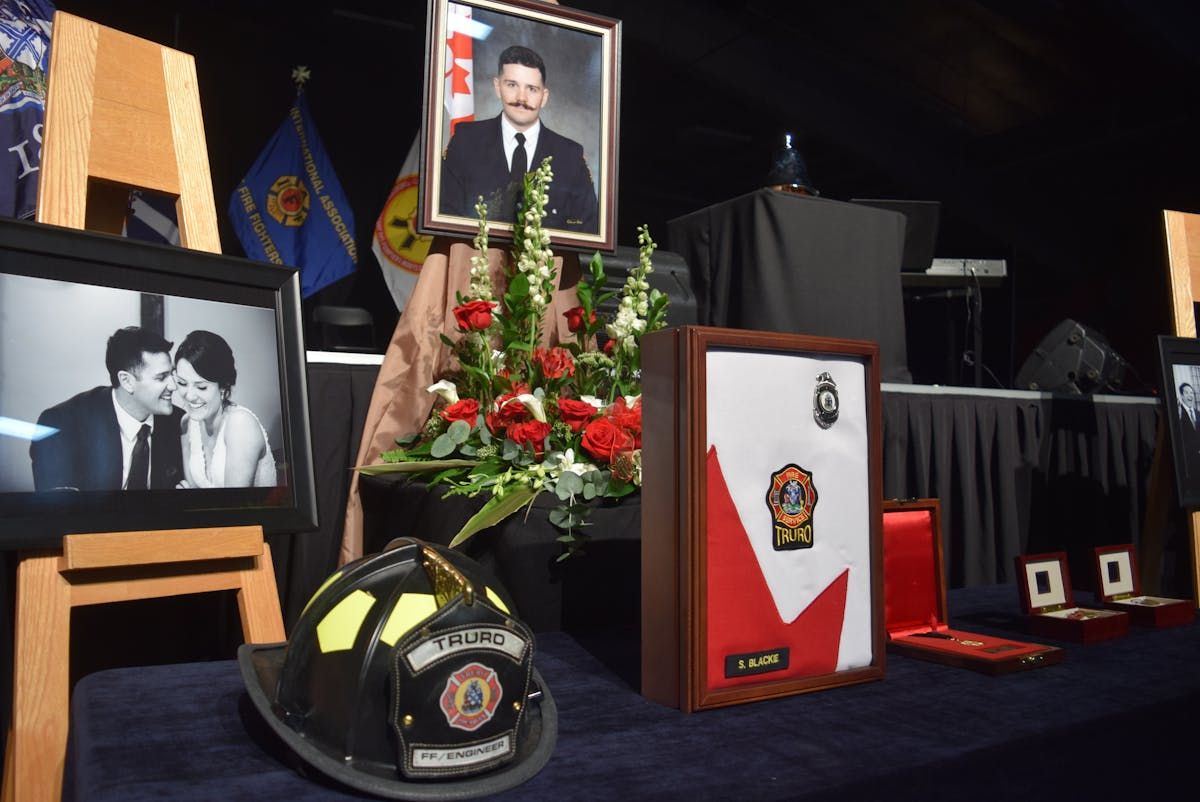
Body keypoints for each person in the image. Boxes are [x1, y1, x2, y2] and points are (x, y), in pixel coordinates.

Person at [439, 44, 599, 233]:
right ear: (497, 87)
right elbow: (445, 214)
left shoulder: (570, 155)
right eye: (512, 85)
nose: (521, 98)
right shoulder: (466, 140)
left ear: (544, 96)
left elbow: (587, 228)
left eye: (532, 89)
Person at [30, 326, 184, 491]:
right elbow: (60, 512)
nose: (173, 385)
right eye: (161, 377)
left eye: (172, 374)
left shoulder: (181, 424)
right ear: (127, 381)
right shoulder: (60, 426)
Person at [173, 330, 278, 488]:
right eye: (182, 383)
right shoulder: (186, 423)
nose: (189, 396)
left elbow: (234, 505)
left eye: (201, 387)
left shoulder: (240, 424)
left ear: (223, 387)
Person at [1178, 382, 1200, 476]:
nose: (1190, 395)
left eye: (1191, 393)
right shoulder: (1179, 414)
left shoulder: (1198, 413)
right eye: (1187, 393)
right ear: (1182, 396)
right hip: (1187, 462)